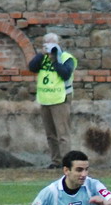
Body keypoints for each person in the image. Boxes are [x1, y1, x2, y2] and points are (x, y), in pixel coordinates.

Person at [28, 32, 77, 169]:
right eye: (47, 43)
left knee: (63, 134)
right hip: (45, 99)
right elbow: (32, 67)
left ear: (58, 44)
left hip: (60, 98)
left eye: (52, 43)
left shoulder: (66, 58)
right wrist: (41, 54)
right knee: (50, 134)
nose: (50, 46)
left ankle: (66, 163)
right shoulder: (42, 58)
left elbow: (65, 73)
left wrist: (55, 59)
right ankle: (56, 161)